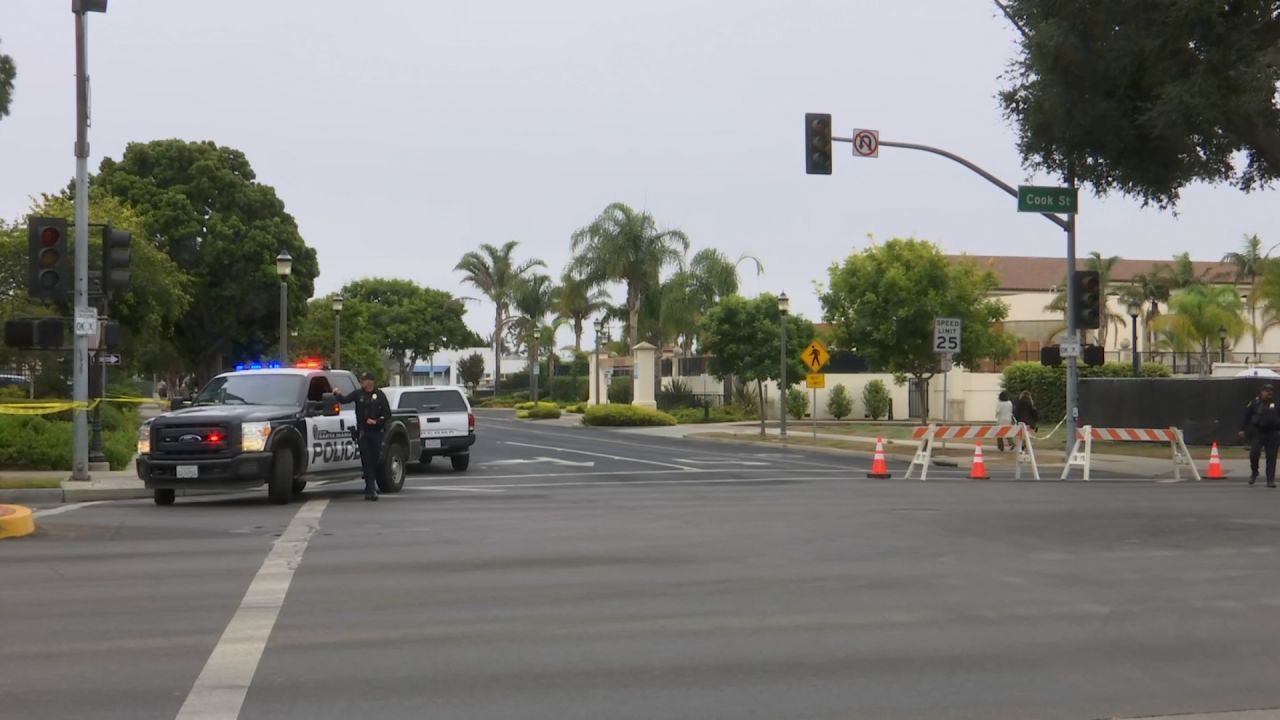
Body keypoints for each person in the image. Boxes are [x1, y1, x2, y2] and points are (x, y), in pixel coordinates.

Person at [337, 372, 392, 501]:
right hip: (363, 432)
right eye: (362, 380)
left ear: (371, 381)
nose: (363, 382)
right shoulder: (358, 394)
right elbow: (344, 400)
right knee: (366, 460)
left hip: (377, 432)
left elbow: (387, 414)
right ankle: (371, 489)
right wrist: (337, 394)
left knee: (375, 459)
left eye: (365, 380)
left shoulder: (380, 395)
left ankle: (369, 486)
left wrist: (377, 421)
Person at [1239, 384, 1280, 487]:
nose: (1269, 393)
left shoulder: (1276, 403)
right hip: (1258, 432)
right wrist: (1242, 429)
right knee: (1254, 454)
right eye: (1266, 391)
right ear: (1262, 392)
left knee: (1271, 458)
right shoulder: (1255, 403)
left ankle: (1270, 480)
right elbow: (1247, 416)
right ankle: (1254, 471)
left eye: (1271, 391)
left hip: (1272, 433)